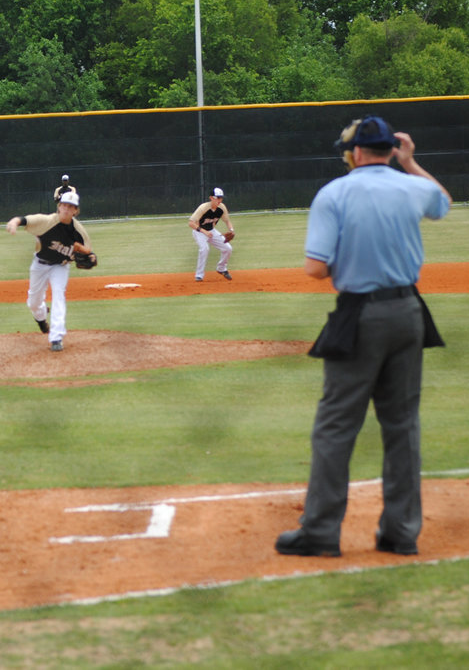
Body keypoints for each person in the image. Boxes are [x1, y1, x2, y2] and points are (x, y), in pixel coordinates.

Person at [275, 116, 451, 558]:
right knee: (402, 424)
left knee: (336, 426)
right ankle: (401, 533)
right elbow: (443, 202)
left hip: (360, 316)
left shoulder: (335, 193)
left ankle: (319, 533)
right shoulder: (412, 187)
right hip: (409, 312)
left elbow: (315, 268)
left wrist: (354, 258)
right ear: (392, 149)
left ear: (354, 153)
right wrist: (411, 163)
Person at [6, 191, 93, 352]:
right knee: (33, 301)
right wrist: (14, 222)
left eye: (71, 207)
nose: (67, 209)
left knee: (59, 294)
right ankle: (40, 318)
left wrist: (91, 256)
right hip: (39, 265)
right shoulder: (46, 222)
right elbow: (25, 219)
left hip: (60, 266)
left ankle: (56, 337)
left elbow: (88, 251)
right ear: (59, 206)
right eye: (64, 205)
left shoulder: (79, 232)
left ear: (76, 211)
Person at [187, 187, 235, 281]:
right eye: (217, 198)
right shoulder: (203, 208)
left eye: (221, 198)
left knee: (228, 248)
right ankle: (199, 275)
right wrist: (204, 232)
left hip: (211, 231)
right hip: (199, 231)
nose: (219, 200)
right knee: (204, 249)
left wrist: (232, 230)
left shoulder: (221, 208)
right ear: (211, 198)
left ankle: (221, 268)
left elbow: (227, 221)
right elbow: (191, 223)